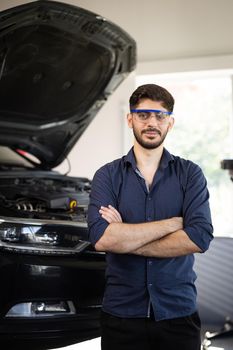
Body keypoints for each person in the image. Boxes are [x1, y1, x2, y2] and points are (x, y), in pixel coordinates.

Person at [87, 83, 213, 350]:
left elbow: (199, 237)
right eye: (143, 115)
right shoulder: (107, 175)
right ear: (130, 119)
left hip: (178, 312)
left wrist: (125, 236)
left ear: (170, 123)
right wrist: (172, 224)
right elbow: (102, 239)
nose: (152, 122)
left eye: (160, 115)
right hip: (121, 314)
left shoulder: (190, 174)